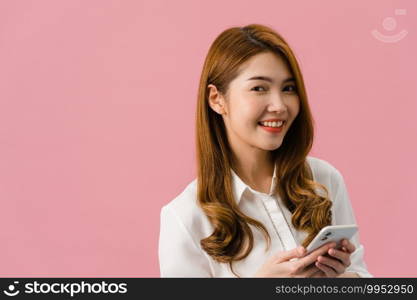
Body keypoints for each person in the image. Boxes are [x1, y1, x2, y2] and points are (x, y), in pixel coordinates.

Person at [158, 24, 372, 278]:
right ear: (217, 99)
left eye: (288, 88)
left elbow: (363, 277)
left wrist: (336, 280)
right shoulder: (185, 217)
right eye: (259, 88)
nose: (280, 106)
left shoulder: (324, 180)